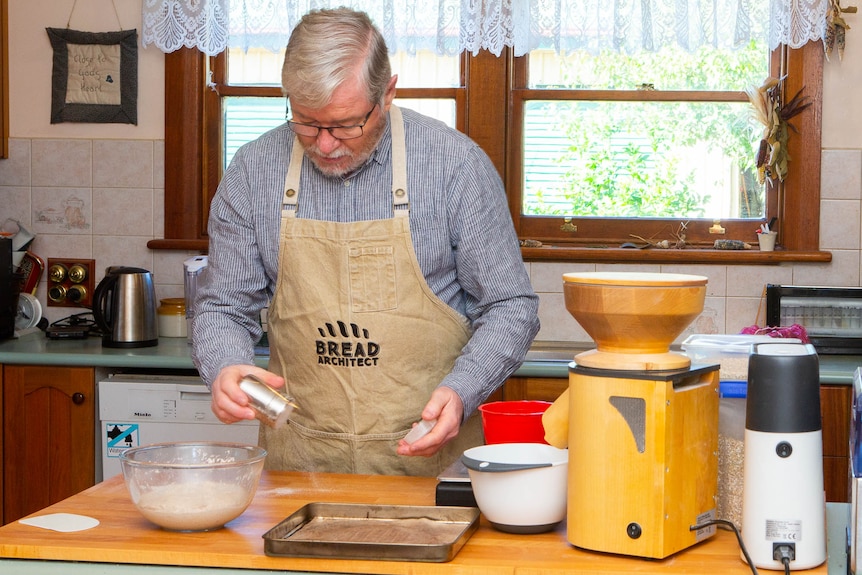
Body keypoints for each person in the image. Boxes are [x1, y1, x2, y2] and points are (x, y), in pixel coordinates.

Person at [191, 7, 540, 476]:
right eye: (307, 123)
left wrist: (463, 389)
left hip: (430, 467)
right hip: (299, 466)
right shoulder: (255, 171)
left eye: (345, 124)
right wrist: (224, 368)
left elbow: (510, 305)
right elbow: (222, 307)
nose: (325, 144)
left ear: (388, 92)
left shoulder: (454, 167)